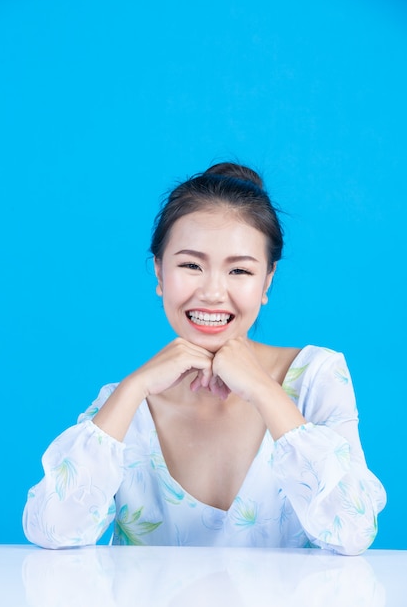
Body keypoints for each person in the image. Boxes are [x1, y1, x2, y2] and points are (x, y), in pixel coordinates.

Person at [23, 162, 386, 554]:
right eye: (191, 265)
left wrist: (265, 391)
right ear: (159, 273)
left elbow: (354, 531)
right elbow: (52, 531)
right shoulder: (125, 408)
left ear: (267, 281)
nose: (213, 292)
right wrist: (134, 388)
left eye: (240, 271)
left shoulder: (316, 378)